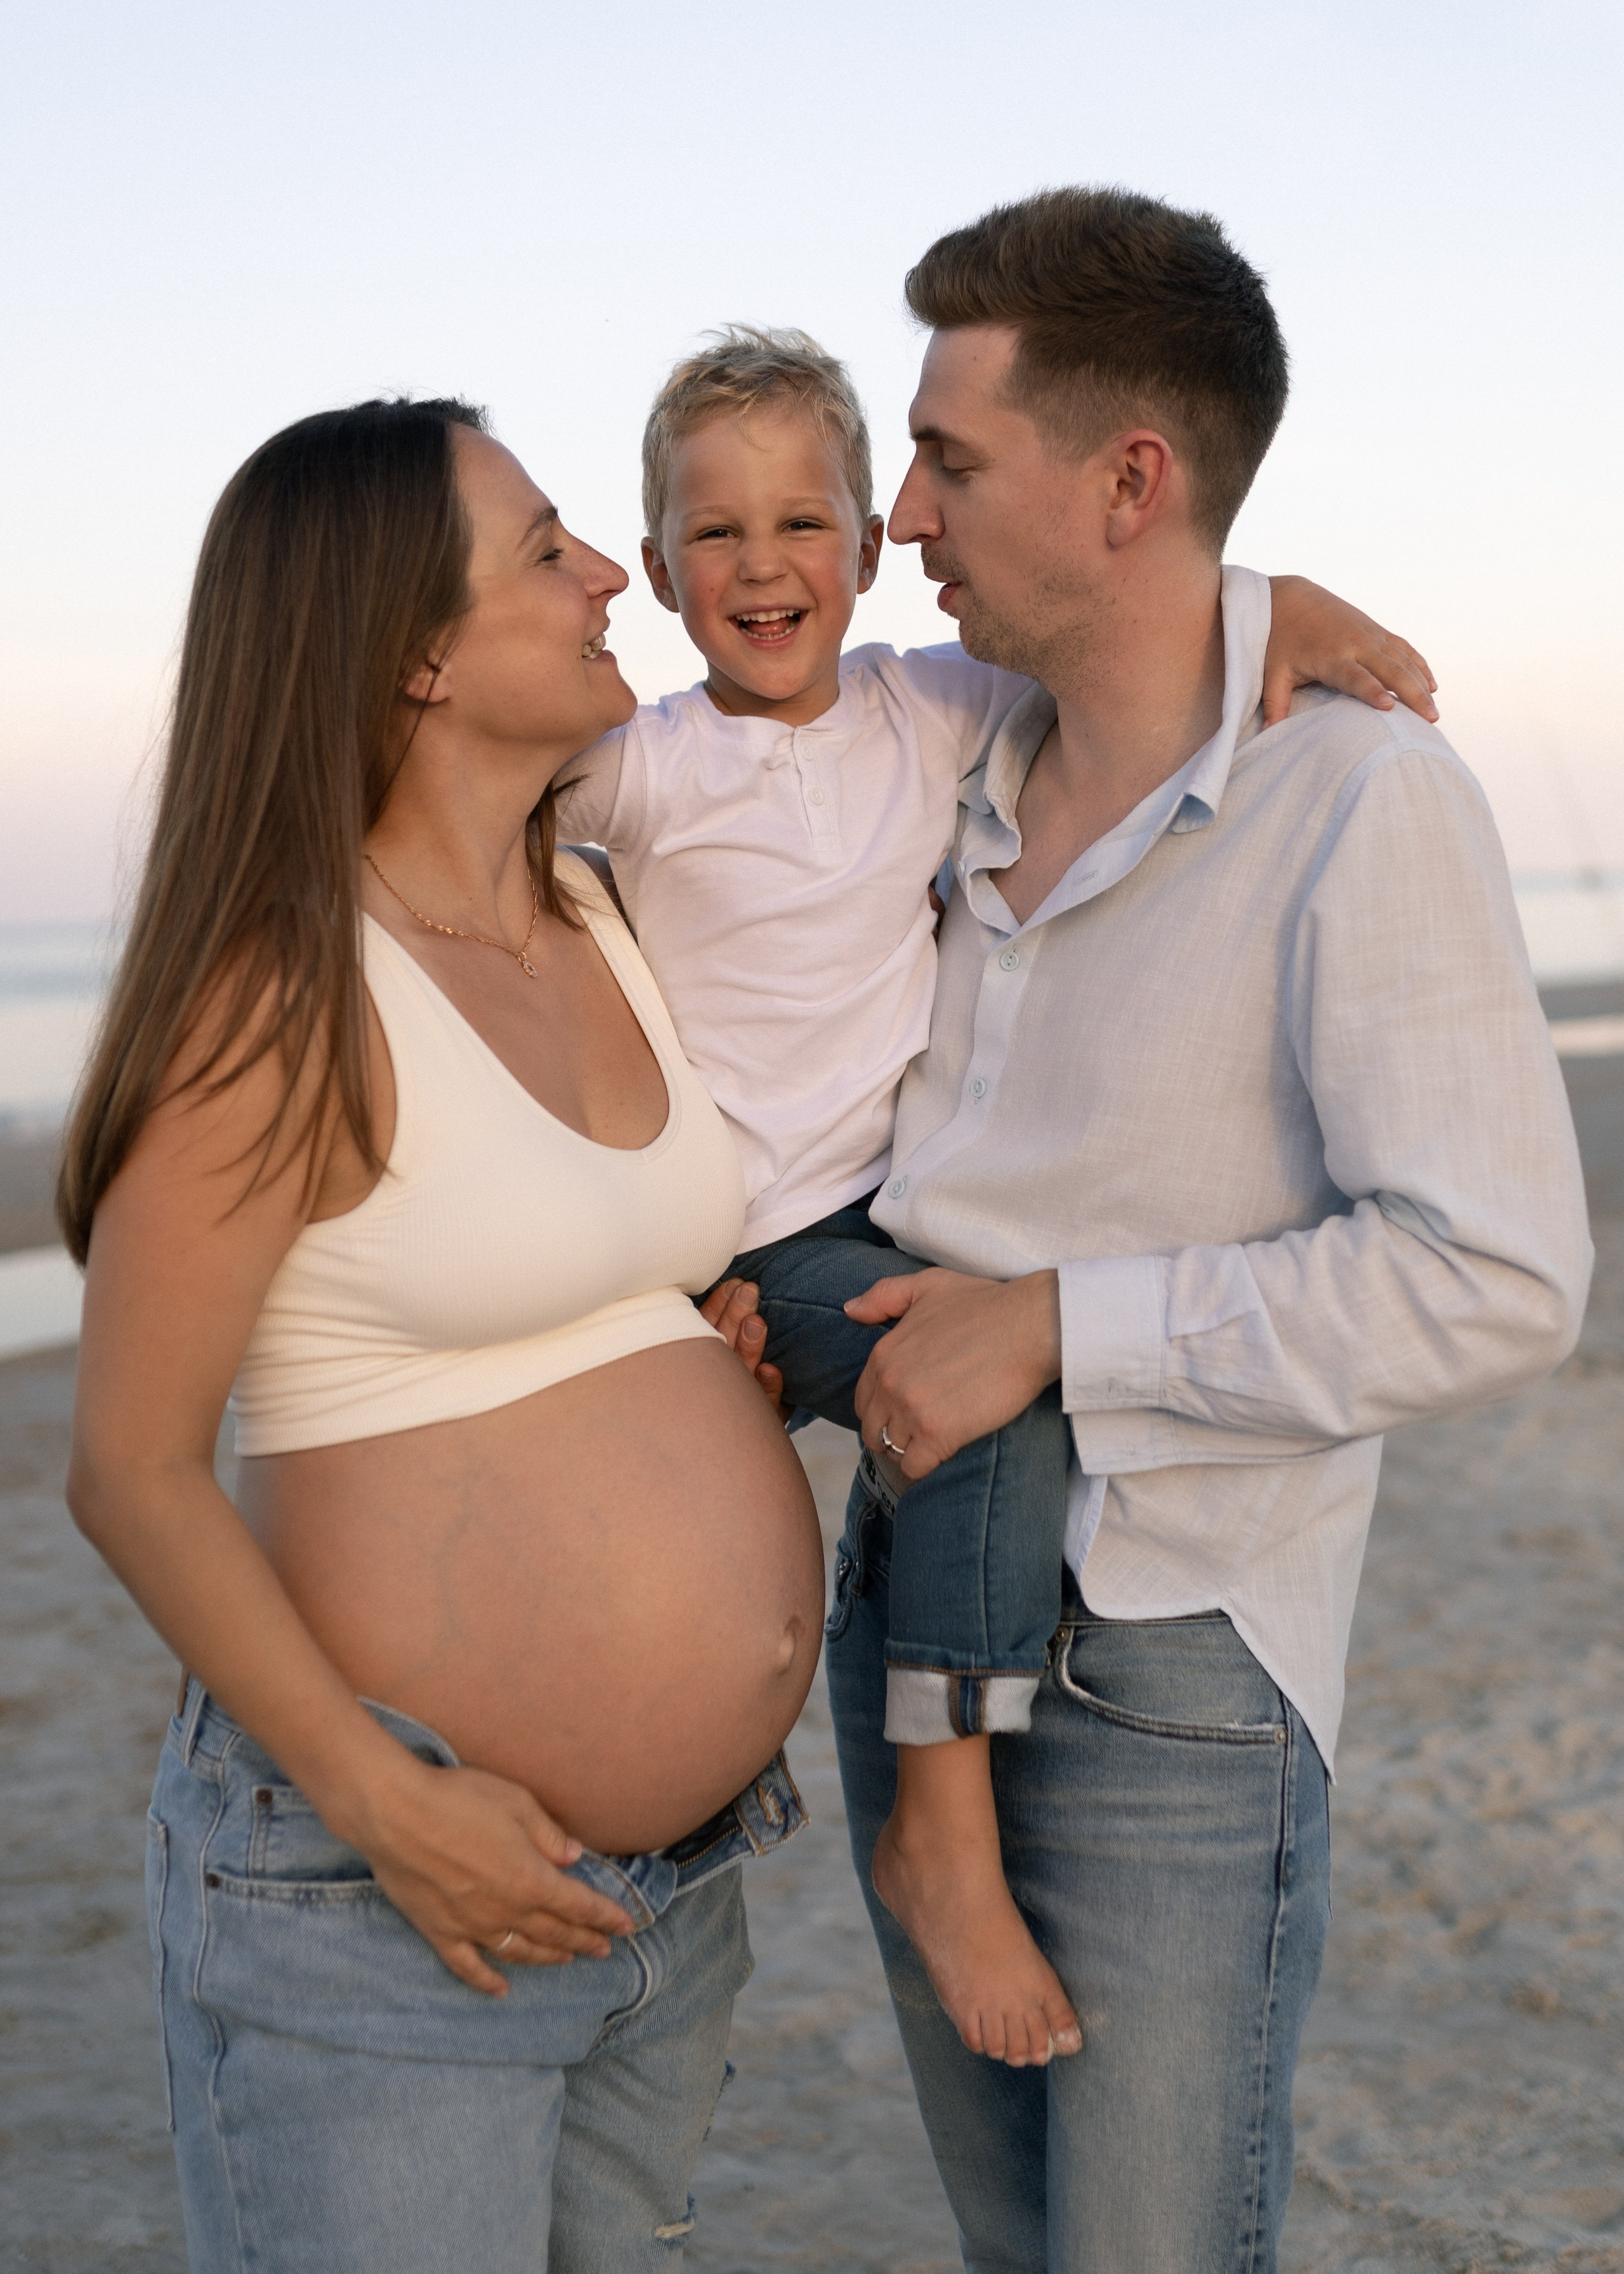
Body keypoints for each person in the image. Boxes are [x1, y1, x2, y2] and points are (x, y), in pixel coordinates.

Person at [792, 188, 1593, 2271]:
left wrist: (1063, 1323)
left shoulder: (1363, 800)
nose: (902, 517)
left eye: (949, 459)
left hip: (1167, 1676)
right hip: (910, 1625)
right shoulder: (942, 759)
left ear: (1130, 481)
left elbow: (1499, 1275)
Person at [556, 327, 1442, 2065]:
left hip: (900, 1204)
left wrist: (1285, 606)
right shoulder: (640, 767)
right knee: (985, 1408)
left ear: (868, 546)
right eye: (714, 532)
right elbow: (462, 839)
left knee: (969, 1390)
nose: (761, 565)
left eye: (802, 523)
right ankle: (943, 1830)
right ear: (655, 569)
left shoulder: (931, 704)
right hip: (752, 1236)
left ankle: (917, 1775)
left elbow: (1132, 640)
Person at [57, 397, 825, 2272]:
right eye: (548, 549)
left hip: (674, 1893)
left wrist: (682, 1355)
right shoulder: (281, 995)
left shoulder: (604, 911)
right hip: (392, 1892)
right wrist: (385, 1805)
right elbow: (131, 1470)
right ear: (413, 652)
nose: (610, 574)